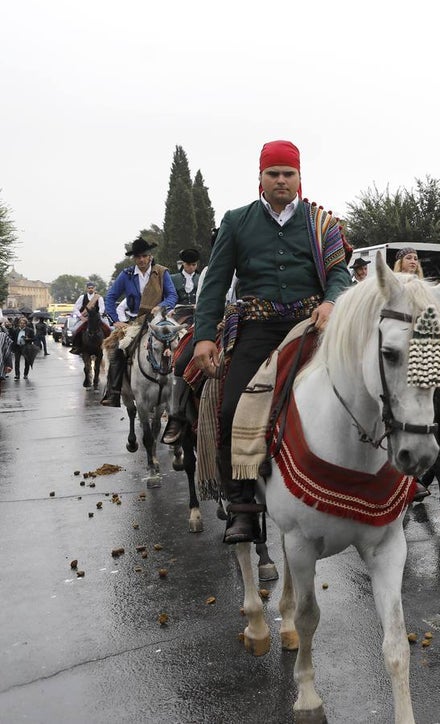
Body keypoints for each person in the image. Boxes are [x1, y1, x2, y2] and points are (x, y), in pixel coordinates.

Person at [192, 140, 351, 544]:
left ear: (299, 177)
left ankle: (390, 479)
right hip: (257, 328)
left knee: (364, 389)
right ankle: (242, 508)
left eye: (288, 173)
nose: (281, 180)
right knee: (232, 407)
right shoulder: (236, 221)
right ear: (260, 178)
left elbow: (339, 273)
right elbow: (215, 284)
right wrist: (204, 336)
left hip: (312, 326)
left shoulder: (321, 222)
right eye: (273, 173)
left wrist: (331, 301)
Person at [100, 238, 178, 406]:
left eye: (144, 256)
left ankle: (181, 390)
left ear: (150, 256)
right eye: (138, 257)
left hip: (159, 319)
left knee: (181, 342)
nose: (141, 260)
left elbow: (172, 295)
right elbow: (110, 297)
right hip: (135, 322)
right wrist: (116, 321)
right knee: (117, 349)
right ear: (134, 258)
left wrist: (161, 306)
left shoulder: (162, 272)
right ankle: (114, 391)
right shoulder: (126, 275)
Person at [68, 281, 109, 354]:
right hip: (85, 317)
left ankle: (109, 346)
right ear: (86, 289)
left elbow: (102, 308)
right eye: (89, 288)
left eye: (92, 288)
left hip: (97, 317)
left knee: (109, 328)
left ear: (94, 288)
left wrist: (98, 315)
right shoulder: (82, 297)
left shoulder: (99, 297)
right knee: (75, 330)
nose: (90, 289)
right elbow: (75, 308)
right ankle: (77, 346)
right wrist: (81, 317)